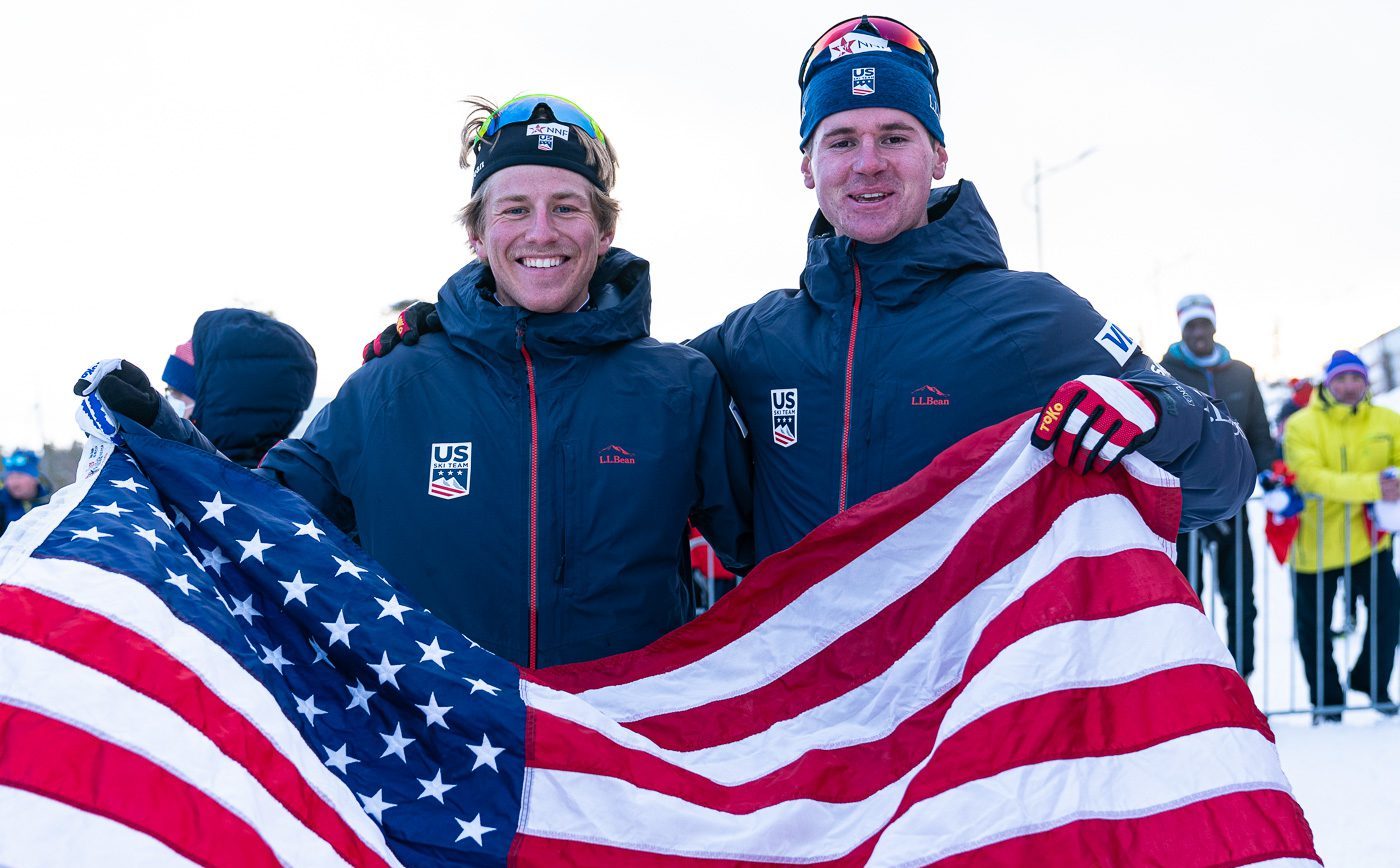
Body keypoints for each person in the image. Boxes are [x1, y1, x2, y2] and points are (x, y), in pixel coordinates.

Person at [363, 17, 1255, 564]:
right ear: (806, 166)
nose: (868, 164)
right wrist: (456, 326)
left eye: (895, 136)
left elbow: (1222, 475)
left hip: (973, 739)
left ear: (938, 155)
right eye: (842, 140)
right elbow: (590, 367)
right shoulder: (756, 341)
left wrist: (1156, 414)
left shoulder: (1035, 315)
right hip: (807, 742)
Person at [78, 95, 753, 669]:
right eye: (514, 208)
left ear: (604, 230)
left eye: (567, 207)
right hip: (439, 768)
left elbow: (773, 560)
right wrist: (160, 437)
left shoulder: (679, 388)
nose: (541, 231)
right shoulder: (388, 390)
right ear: (477, 234)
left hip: (622, 767)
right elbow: (254, 515)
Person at [1160, 293, 1273, 678]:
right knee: (1187, 593)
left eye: (1203, 323)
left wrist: (1269, 470)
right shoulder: (1164, 369)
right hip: (1185, 503)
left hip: (1232, 501)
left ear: (1214, 325)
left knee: (1240, 594)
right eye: (1191, 325)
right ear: (1182, 329)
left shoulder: (1241, 373)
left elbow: (1259, 429)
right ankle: (1193, 677)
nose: (1198, 332)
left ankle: (1243, 676)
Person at [1283, 350, 1400, 721]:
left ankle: (1371, 681)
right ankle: (1327, 701)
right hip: (1314, 544)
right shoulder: (1301, 425)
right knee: (1314, 628)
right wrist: (1374, 486)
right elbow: (1311, 477)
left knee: (1389, 613)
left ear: (1366, 382)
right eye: (1342, 379)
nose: (1350, 386)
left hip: (1370, 541)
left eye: (1356, 378)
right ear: (1328, 383)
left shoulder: (1387, 419)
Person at [160, 309, 318, 468]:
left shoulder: (186, 483)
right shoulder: (288, 479)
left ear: (222, 403)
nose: (171, 410)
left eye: (178, 395)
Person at [0, 449, 51, 536]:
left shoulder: (51, 504)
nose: (13, 483)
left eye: (19, 476)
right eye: (9, 477)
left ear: (35, 478)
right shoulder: (2, 505)